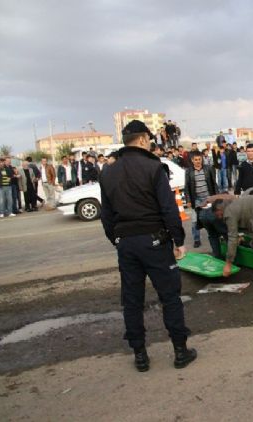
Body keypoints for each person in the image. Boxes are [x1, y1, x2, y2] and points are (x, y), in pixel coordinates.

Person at [100, 120, 196, 372]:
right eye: (150, 139)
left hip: (126, 243)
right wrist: (179, 240)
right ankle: (180, 351)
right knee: (170, 297)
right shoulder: (154, 167)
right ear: (143, 140)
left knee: (132, 301)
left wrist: (117, 240)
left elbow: (107, 215)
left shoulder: (108, 172)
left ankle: (140, 355)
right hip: (154, 241)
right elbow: (169, 209)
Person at [184, 151, 218, 248]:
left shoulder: (208, 168)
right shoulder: (189, 171)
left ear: (202, 159)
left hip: (208, 198)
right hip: (197, 200)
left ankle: (216, 236)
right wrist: (188, 200)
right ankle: (196, 239)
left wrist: (216, 197)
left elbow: (214, 183)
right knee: (195, 221)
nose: (198, 161)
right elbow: (187, 187)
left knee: (213, 218)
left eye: (199, 159)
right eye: (196, 160)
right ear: (192, 160)